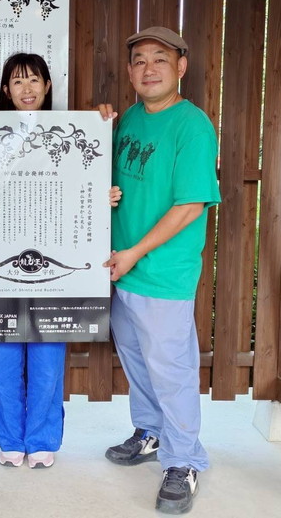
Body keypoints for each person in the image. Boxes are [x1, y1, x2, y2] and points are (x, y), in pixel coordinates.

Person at [0, 53, 120, 470]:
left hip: (56, 271)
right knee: (3, 363)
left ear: (47, 86)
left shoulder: (69, 132)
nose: (27, 88)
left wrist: (103, 194)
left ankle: (41, 439)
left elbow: (81, 189)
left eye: (34, 80)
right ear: (6, 90)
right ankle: (9, 439)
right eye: (18, 81)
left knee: (47, 362)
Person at [98, 26, 221, 514]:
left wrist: (135, 252)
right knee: (137, 363)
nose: (149, 69)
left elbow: (190, 206)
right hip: (122, 268)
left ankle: (184, 461)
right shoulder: (129, 119)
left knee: (172, 371)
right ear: (130, 72)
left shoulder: (192, 126)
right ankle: (150, 432)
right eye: (140, 61)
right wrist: (98, 130)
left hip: (163, 273)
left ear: (181, 67)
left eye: (160, 59)